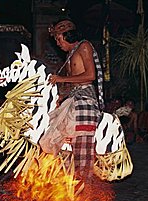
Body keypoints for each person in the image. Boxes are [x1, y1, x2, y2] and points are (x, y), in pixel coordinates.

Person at [44, 19, 104, 179]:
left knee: (81, 150)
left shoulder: (84, 46)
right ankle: (68, 187)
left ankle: (85, 191)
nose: (57, 43)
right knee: (62, 143)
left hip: (85, 103)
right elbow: (73, 82)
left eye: (58, 38)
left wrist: (61, 79)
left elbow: (90, 76)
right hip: (73, 101)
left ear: (67, 35)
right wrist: (61, 97)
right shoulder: (70, 55)